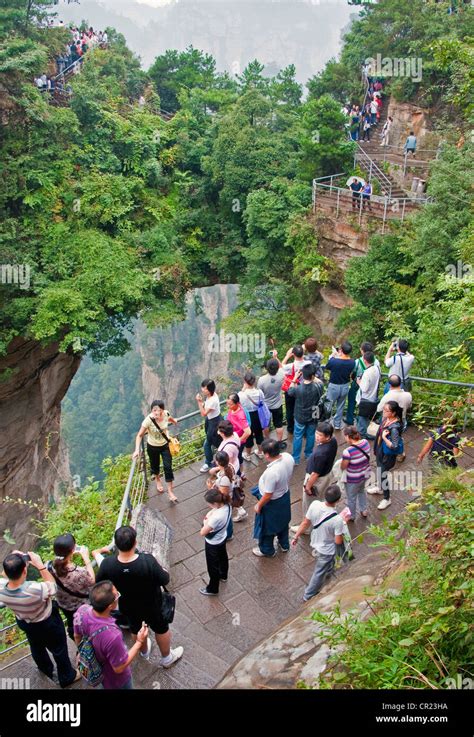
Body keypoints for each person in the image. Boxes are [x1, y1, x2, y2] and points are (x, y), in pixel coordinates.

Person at [94, 526, 183, 668]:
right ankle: (167, 658)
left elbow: (99, 584)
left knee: (135, 629)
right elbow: (164, 579)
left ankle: (144, 652)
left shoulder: (108, 565)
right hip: (152, 604)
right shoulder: (147, 561)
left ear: (116, 545)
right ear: (135, 542)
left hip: (128, 605)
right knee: (161, 628)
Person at [0, 552, 79, 687]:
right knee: (58, 648)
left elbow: (4, 575)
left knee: (36, 647)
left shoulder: (1, 588)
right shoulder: (34, 589)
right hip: (47, 622)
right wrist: (40, 566)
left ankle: (46, 670)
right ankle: (67, 676)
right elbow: (53, 587)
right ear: (25, 570)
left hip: (25, 623)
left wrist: (12, 561)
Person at [73, 581, 148, 689]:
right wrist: (139, 642)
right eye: (116, 595)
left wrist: (83, 652)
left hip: (93, 669)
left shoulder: (81, 611)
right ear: (110, 606)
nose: (118, 595)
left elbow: (77, 636)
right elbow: (119, 667)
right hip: (114, 680)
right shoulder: (112, 636)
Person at [291, 485, 345, 601]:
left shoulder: (314, 504)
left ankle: (329, 570)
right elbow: (338, 541)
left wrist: (296, 536)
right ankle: (308, 594)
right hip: (327, 549)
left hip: (315, 541)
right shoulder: (337, 520)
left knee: (327, 562)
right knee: (319, 572)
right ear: (338, 500)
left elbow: (305, 523)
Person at [290, 421, 338, 533]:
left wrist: (308, 486)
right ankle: (320, 517)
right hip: (327, 475)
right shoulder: (333, 441)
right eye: (316, 433)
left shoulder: (321, 453)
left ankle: (306, 528)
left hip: (317, 479)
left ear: (328, 436)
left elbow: (315, 474)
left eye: (320, 435)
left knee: (309, 503)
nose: (317, 437)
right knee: (321, 498)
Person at [252, 439, 295, 557]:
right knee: (283, 522)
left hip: (271, 502)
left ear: (266, 455)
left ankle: (267, 550)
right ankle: (284, 544)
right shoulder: (287, 457)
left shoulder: (272, 472)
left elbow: (268, 495)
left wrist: (259, 505)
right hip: (284, 494)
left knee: (267, 528)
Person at [48, 533, 95, 640]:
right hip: (82, 606)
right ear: (73, 550)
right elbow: (92, 581)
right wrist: (86, 559)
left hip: (65, 606)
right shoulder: (78, 572)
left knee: (72, 623)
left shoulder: (49, 567)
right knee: (87, 623)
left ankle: (77, 639)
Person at [133, 400, 178, 503]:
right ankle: (158, 480)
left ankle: (170, 492)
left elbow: (169, 418)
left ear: (162, 410)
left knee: (168, 467)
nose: (156, 412)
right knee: (155, 466)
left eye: (158, 410)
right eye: (154, 410)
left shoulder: (166, 414)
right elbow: (139, 435)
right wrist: (136, 450)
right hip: (152, 446)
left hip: (165, 445)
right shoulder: (148, 420)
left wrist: (174, 421)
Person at [367, 401, 404, 510]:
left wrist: (383, 437)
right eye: (383, 409)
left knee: (383, 475)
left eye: (386, 410)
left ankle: (387, 499)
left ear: (393, 413)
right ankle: (380, 488)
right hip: (380, 451)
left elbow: (395, 446)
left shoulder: (394, 428)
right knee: (379, 472)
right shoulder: (386, 419)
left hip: (387, 456)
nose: (383, 412)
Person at [288, 364, 323, 465]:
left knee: (298, 436)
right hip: (314, 412)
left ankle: (296, 458)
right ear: (313, 376)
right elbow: (320, 382)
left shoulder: (298, 388)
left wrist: (294, 379)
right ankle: (309, 454)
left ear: (302, 375)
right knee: (311, 434)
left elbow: (290, 392)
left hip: (300, 414)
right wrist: (312, 376)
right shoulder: (318, 386)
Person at [199, 489, 231, 596]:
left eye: (208, 504)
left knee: (212, 566)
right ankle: (223, 575)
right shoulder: (228, 506)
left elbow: (203, 532)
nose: (208, 505)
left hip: (213, 543)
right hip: (222, 537)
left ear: (215, 503)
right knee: (223, 557)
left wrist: (206, 520)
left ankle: (213, 588)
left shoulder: (216, 517)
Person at [206, 450, 238, 538]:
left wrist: (210, 488)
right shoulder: (230, 466)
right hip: (230, 494)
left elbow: (223, 495)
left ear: (218, 462)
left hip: (226, 501)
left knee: (226, 518)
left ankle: (228, 535)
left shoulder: (224, 478)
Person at [341, 426, 371, 520]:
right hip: (365, 474)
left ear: (347, 436)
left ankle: (352, 515)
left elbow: (343, 466)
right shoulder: (365, 442)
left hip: (353, 478)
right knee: (361, 491)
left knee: (351, 497)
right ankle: (364, 509)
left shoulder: (348, 451)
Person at [325, 342, 356, 430]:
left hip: (334, 386)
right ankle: (337, 424)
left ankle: (326, 423)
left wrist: (333, 355)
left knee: (329, 404)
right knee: (340, 406)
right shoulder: (352, 362)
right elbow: (343, 362)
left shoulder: (334, 361)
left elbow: (328, 366)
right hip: (345, 386)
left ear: (341, 350)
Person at [345, 341, 378, 425]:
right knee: (365, 403)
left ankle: (350, 419)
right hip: (371, 385)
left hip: (357, 384)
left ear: (362, 351)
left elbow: (352, 371)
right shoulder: (376, 361)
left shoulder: (358, 361)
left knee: (352, 401)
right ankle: (362, 420)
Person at [281, 345, 309, 435]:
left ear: (293, 354)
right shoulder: (308, 363)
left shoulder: (290, 366)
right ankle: (302, 426)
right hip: (304, 389)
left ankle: (290, 428)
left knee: (289, 409)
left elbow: (281, 368)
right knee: (302, 408)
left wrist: (287, 356)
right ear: (303, 353)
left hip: (291, 389)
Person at [196, 379, 222, 473]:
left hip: (214, 423)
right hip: (213, 420)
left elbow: (203, 413)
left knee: (208, 444)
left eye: (205, 388)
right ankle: (216, 461)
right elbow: (207, 407)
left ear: (210, 389)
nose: (203, 389)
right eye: (203, 387)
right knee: (216, 443)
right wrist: (203, 403)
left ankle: (209, 462)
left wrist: (199, 402)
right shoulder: (211, 395)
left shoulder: (213, 400)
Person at [257, 358, 285, 445]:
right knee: (279, 424)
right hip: (277, 404)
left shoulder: (262, 380)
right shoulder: (281, 374)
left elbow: (259, 393)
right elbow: (282, 366)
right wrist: (276, 357)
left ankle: (268, 441)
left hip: (266, 407)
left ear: (266, 368)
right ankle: (279, 442)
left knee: (266, 425)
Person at [239, 372, 266, 461]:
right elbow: (262, 401)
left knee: (249, 436)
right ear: (254, 382)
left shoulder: (241, 394)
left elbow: (239, 404)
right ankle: (260, 452)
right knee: (259, 434)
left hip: (247, 416)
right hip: (258, 415)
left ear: (245, 382)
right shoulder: (259, 392)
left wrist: (243, 390)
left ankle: (247, 454)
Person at [355, 351, 381, 438]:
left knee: (362, 417)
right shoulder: (377, 368)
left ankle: (361, 435)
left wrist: (359, 382)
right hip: (373, 397)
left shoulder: (367, 372)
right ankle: (364, 431)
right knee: (366, 418)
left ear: (365, 361)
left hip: (366, 399)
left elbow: (364, 388)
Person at [225, 393, 251, 471]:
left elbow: (248, 432)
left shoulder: (240, 416)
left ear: (237, 403)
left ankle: (241, 473)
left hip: (238, 442)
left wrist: (238, 441)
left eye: (230, 404)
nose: (228, 406)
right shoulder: (233, 409)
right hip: (232, 438)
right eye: (227, 403)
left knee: (237, 457)